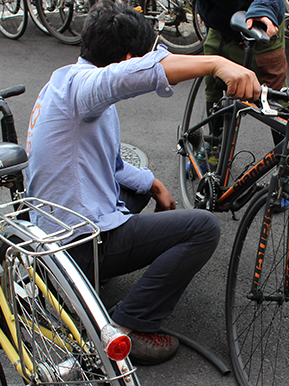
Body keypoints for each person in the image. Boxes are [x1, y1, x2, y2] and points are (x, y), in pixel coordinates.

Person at [24, 0, 260, 366]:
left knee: (137, 184)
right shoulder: (86, 85)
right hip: (74, 243)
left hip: (52, 234)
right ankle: (129, 324)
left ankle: (88, 280)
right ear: (129, 58)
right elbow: (134, 74)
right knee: (203, 227)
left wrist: (155, 185)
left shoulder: (62, 80)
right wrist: (216, 63)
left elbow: (112, 163)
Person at [196, 0, 287, 109]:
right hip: (219, 29)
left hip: (261, 25)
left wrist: (264, 7)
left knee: (275, 97)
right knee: (212, 91)